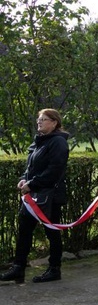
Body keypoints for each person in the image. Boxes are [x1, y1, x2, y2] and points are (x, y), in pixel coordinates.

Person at [0, 109, 69, 284]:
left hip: (50, 196)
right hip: (33, 196)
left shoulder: (58, 143)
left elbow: (55, 170)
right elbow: (31, 167)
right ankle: (18, 268)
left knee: (52, 232)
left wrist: (33, 183)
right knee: (24, 230)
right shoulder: (38, 142)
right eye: (39, 119)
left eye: (44, 119)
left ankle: (54, 269)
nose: (39, 122)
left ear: (54, 123)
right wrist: (24, 179)